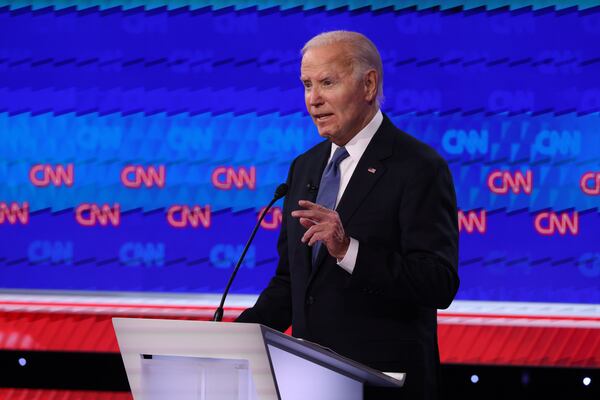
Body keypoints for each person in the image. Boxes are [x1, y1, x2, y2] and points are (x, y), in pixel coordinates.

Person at [236, 30, 459, 400]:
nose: (313, 99)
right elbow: (292, 284)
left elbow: (438, 282)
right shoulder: (304, 168)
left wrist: (348, 250)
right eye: (307, 84)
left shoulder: (419, 168)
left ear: (369, 84)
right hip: (308, 386)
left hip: (384, 387)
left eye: (327, 82)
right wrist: (231, 340)